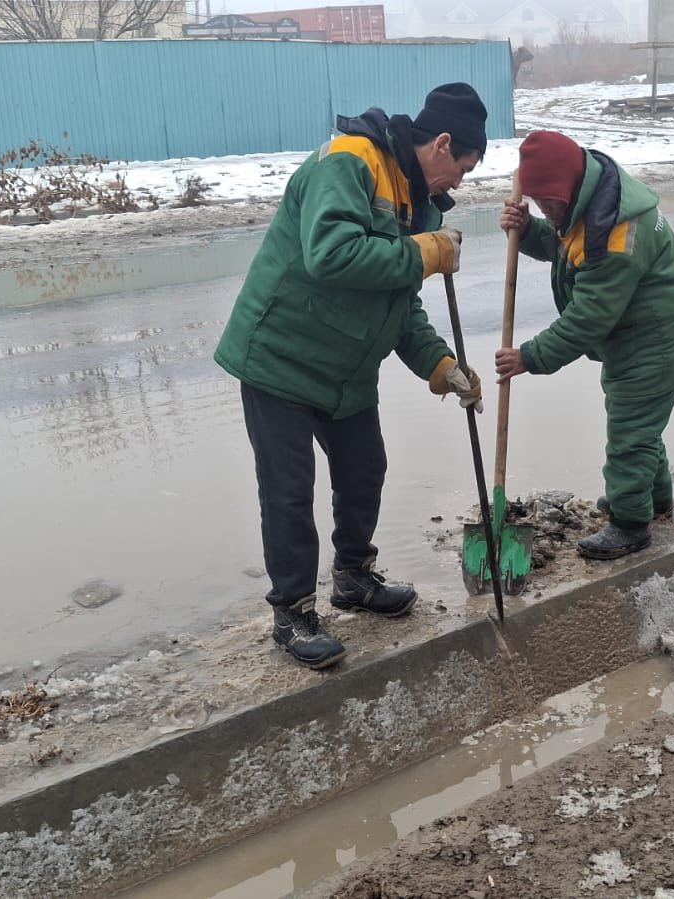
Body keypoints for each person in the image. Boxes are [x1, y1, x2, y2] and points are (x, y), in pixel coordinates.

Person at [214, 83, 488, 670]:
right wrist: (424, 253)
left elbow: (399, 303)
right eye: (462, 168)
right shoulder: (350, 161)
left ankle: (353, 578)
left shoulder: (420, 204)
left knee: (365, 468)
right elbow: (331, 255)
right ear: (442, 144)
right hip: (282, 356)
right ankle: (292, 612)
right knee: (289, 492)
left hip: (345, 366)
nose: (460, 183)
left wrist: (441, 365)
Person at [494, 130, 674, 561]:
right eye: (539, 203)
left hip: (655, 332)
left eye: (549, 204)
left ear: (568, 190)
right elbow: (566, 246)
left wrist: (530, 356)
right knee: (639, 421)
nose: (546, 210)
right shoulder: (591, 198)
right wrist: (528, 229)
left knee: (630, 429)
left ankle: (631, 524)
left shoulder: (616, 233)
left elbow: (588, 317)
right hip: (639, 324)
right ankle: (653, 502)